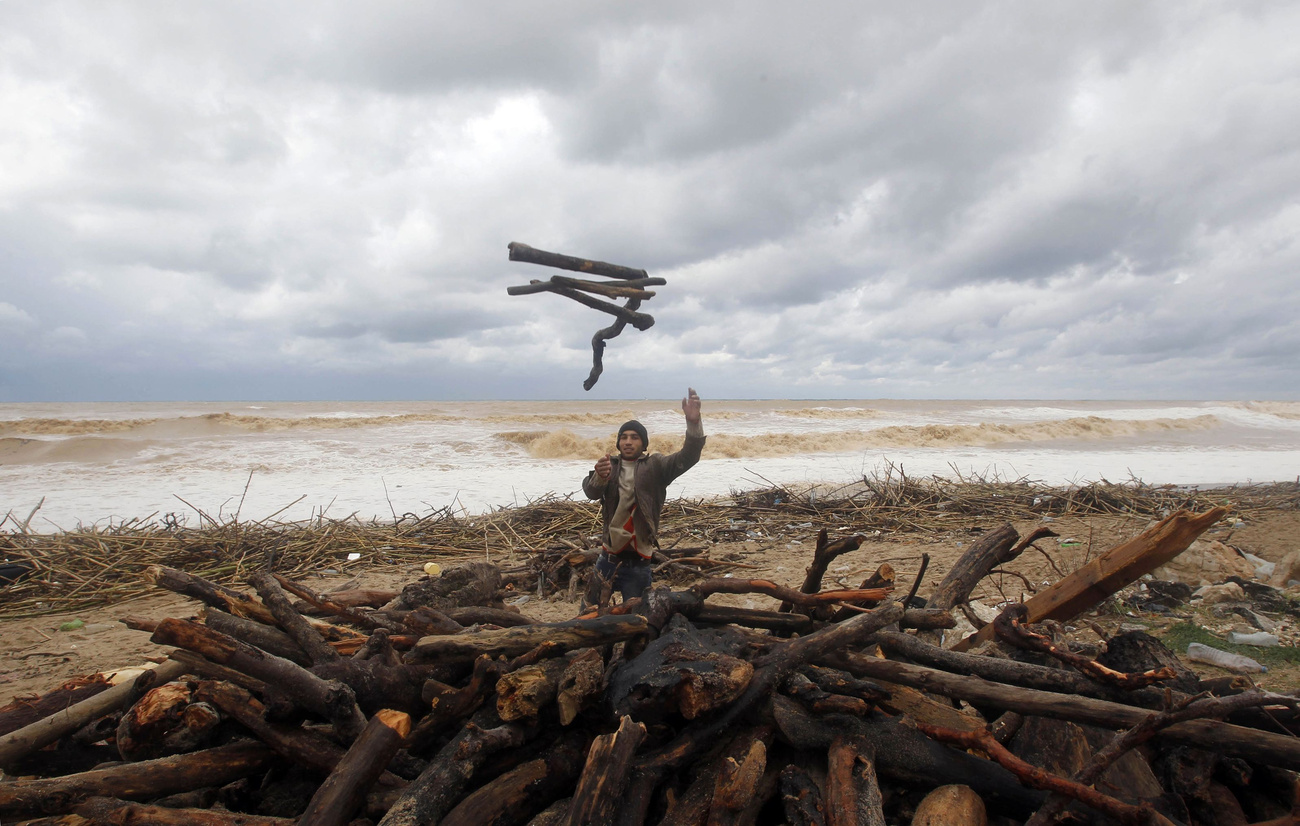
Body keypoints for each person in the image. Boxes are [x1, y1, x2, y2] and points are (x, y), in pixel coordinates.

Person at [582, 388, 705, 603]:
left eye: (635, 437)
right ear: (618, 442)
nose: (628, 442)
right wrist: (600, 478)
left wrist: (693, 423)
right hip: (607, 558)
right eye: (624, 437)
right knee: (590, 613)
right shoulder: (608, 465)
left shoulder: (656, 466)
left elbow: (689, 456)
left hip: (639, 563)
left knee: (637, 619)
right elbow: (590, 492)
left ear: (644, 444)